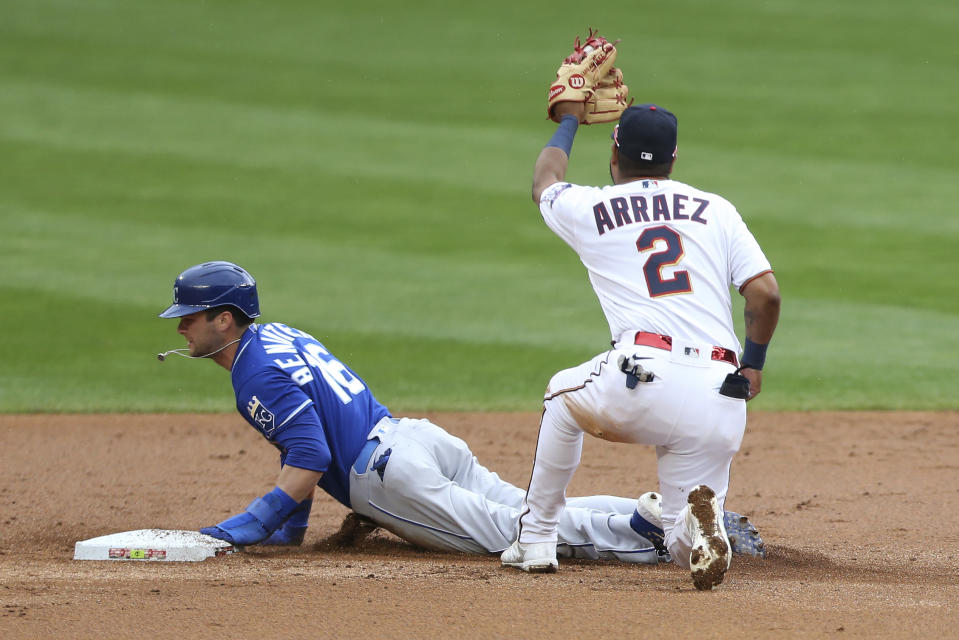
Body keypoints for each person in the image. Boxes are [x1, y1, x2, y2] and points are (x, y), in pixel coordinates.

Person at [157, 260, 765, 565]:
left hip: (389, 476)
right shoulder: (280, 337)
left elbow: (311, 454)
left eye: (190, 316)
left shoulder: (253, 373)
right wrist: (292, 530)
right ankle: (663, 511)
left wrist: (246, 527)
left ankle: (656, 537)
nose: (181, 326)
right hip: (415, 440)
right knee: (524, 509)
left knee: (517, 534)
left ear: (226, 319)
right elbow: (303, 441)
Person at [500, 102, 781, 590]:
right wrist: (753, 366)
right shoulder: (716, 209)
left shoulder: (590, 207)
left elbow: (543, 182)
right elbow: (765, 293)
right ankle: (700, 528)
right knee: (676, 540)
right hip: (720, 391)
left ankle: (537, 538)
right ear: (674, 159)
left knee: (561, 398)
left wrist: (568, 119)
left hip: (642, 380)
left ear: (615, 153)